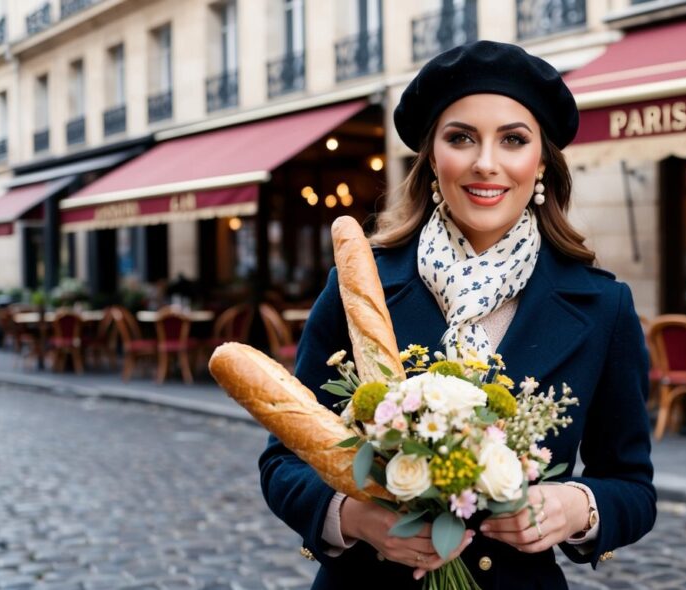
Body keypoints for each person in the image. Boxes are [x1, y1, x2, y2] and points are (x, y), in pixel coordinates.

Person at [259, 41, 655, 589]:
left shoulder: (604, 307)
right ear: (432, 157)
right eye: (461, 137)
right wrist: (359, 520)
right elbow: (285, 458)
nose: (485, 162)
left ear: (540, 161)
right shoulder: (359, 284)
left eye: (513, 139)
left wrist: (577, 506)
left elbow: (632, 486)